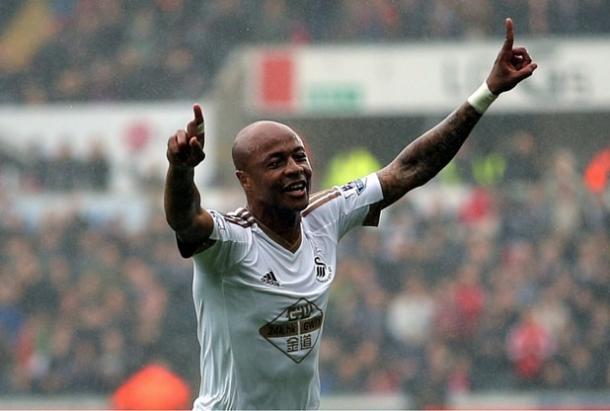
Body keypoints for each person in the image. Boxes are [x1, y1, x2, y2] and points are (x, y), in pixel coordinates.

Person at [164, 18, 537, 410]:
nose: (295, 168)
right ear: (247, 181)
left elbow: (409, 169)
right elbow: (185, 219)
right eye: (276, 162)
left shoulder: (325, 216)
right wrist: (181, 169)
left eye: (299, 156)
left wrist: (487, 92)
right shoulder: (231, 242)